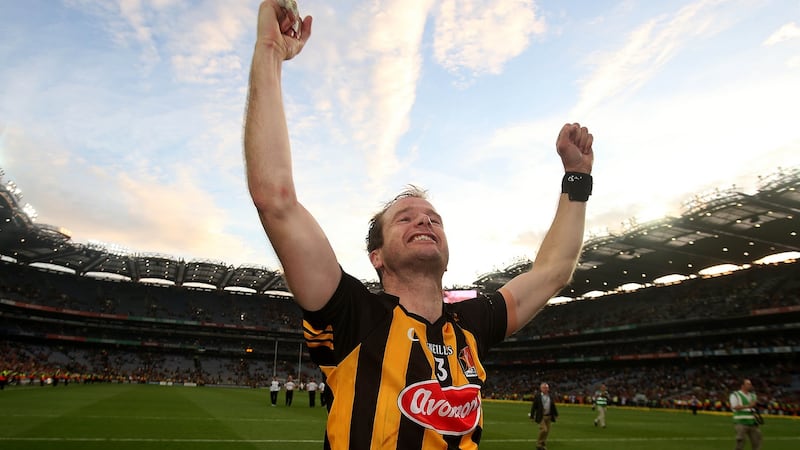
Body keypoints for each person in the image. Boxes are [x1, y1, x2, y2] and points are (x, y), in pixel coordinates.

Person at [243, 1, 594, 448]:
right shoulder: (352, 314)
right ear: (377, 255)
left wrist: (576, 178)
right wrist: (270, 50)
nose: (424, 220)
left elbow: (553, 271)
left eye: (433, 218)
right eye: (405, 218)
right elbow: (276, 201)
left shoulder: (472, 324)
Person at [730, 379, 762, 450]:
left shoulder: (753, 395)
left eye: (750, 384)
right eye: (748, 384)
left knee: (757, 441)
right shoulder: (735, 395)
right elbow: (734, 406)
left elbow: (754, 406)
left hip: (753, 422)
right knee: (740, 443)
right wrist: (748, 406)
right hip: (741, 422)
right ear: (742, 386)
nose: (750, 386)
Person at [530, 382, 558, 450]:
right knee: (544, 430)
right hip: (541, 416)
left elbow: (553, 406)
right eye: (544, 388)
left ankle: (542, 444)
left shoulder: (550, 396)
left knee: (547, 431)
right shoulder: (538, 396)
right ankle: (539, 443)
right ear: (541, 389)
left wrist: (556, 414)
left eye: (546, 388)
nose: (545, 389)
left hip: (549, 416)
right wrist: (532, 416)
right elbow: (534, 406)